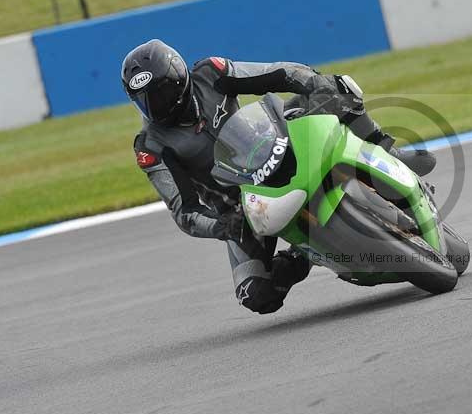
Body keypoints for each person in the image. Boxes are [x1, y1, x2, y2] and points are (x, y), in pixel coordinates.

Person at [123, 39, 435, 314]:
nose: (154, 106)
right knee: (256, 295)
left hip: (274, 144)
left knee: (336, 88)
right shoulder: (150, 146)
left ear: (178, 77)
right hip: (242, 206)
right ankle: (303, 255)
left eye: (160, 93)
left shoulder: (211, 73)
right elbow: (184, 211)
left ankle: (386, 152)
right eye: (143, 100)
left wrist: (313, 82)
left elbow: (276, 72)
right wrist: (221, 226)